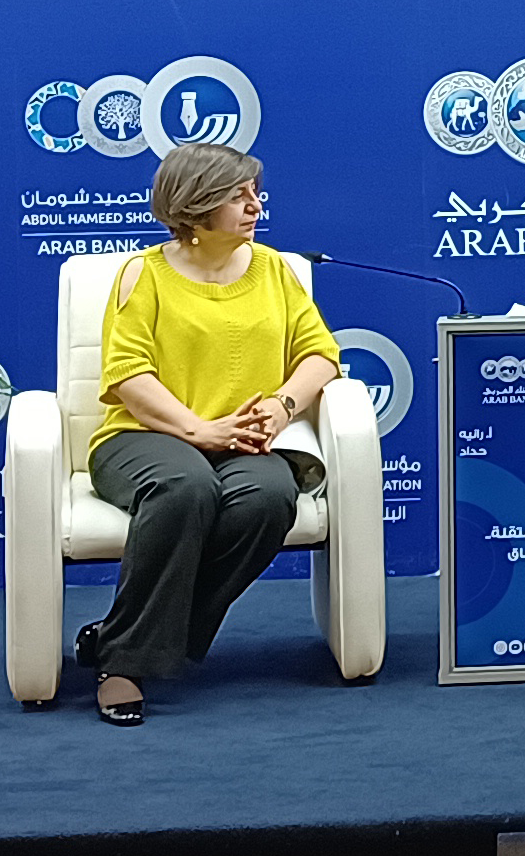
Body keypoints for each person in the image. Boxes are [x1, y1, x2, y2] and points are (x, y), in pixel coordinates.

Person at [77, 142, 341, 725]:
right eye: (237, 196)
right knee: (185, 487)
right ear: (195, 207)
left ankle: (120, 636)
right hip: (144, 437)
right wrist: (200, 430)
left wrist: (281, 406)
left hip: (246, 439)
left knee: (270, 498)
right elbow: (128, 376)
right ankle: (123, 665)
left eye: (255, 193)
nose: (255, 206)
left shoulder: (275, 270)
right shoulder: (144, 274)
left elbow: (320, 355)